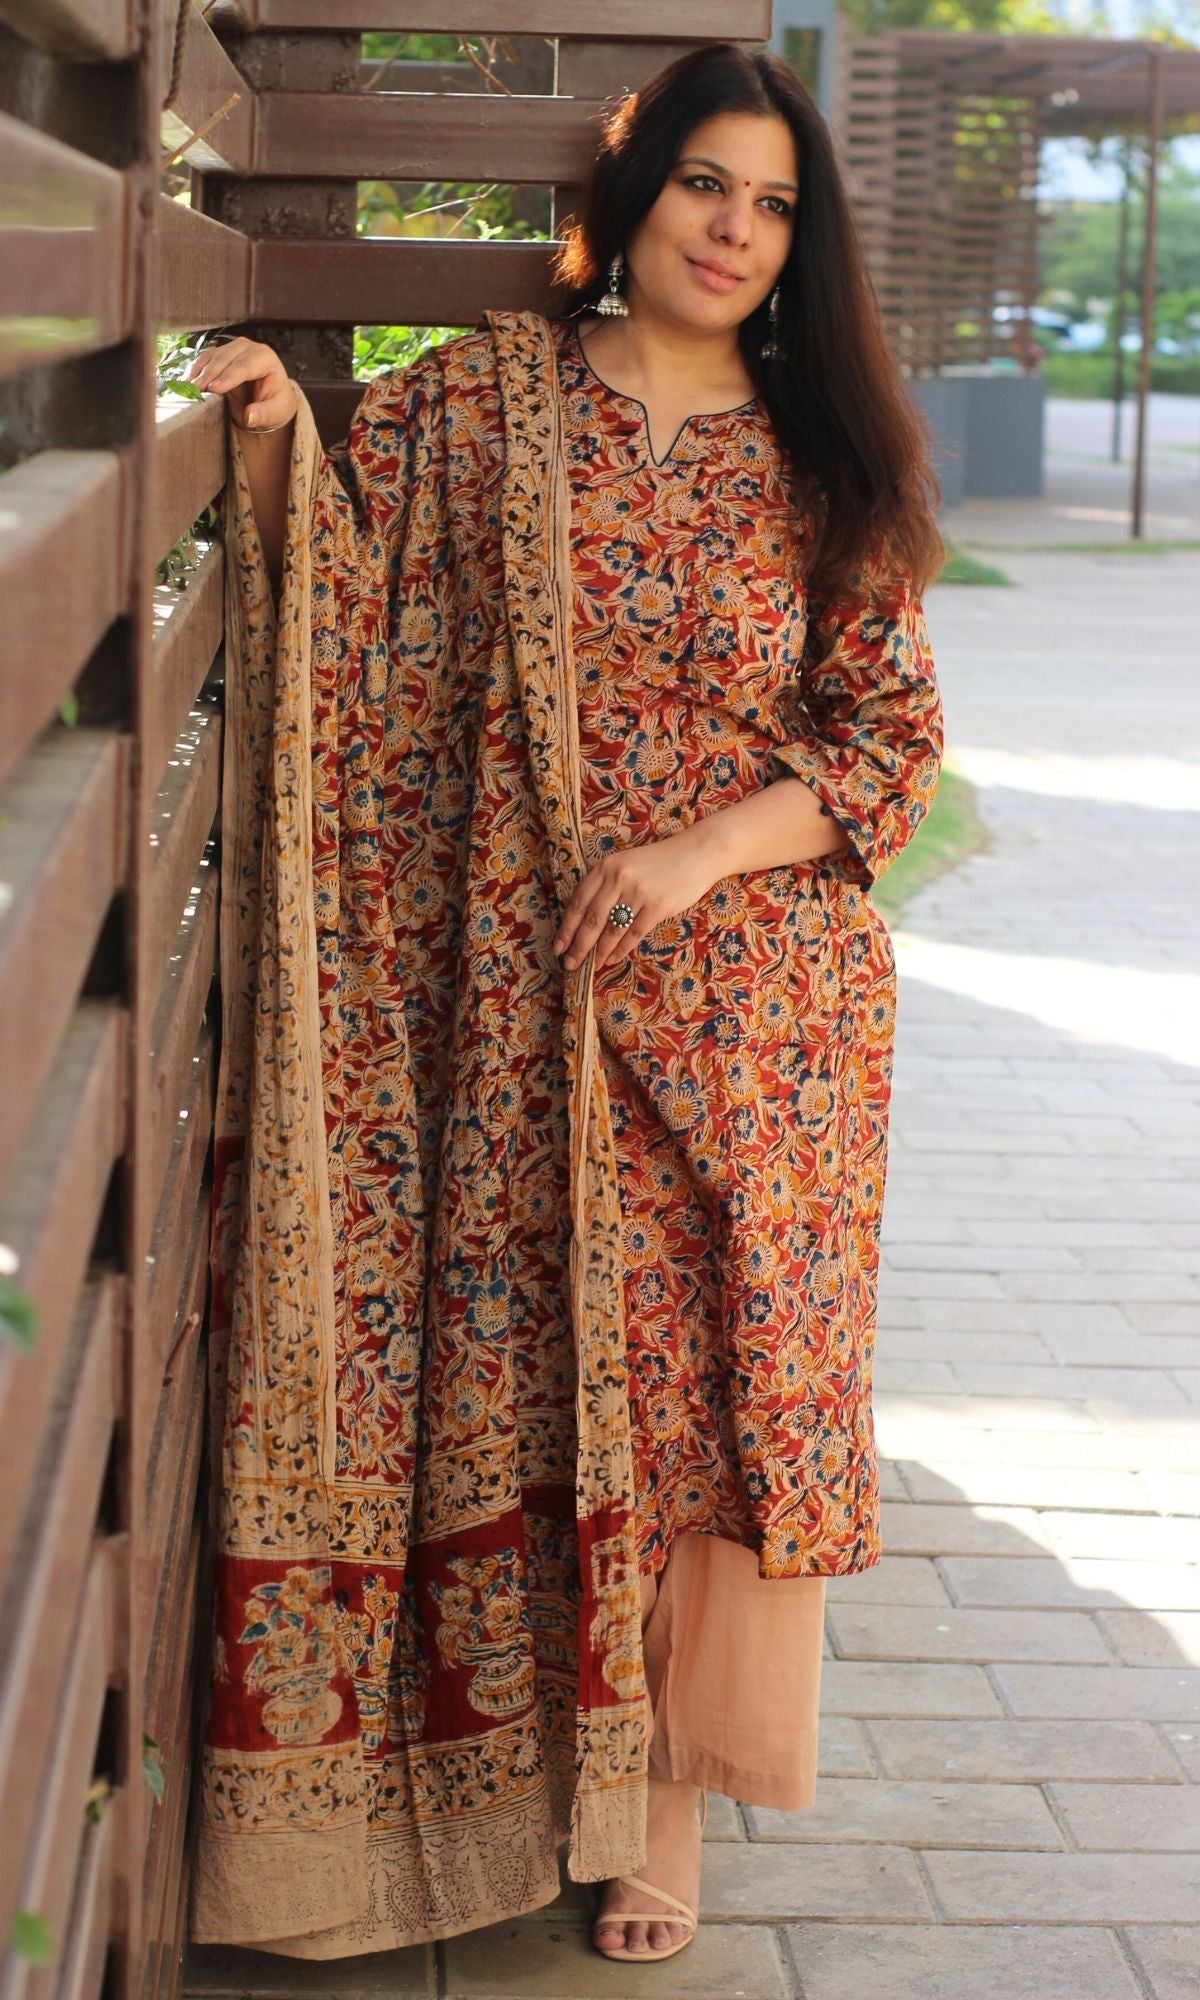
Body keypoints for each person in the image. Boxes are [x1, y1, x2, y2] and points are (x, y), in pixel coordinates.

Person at [186, 41, 943, 1970]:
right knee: (532, 1385)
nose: (736, 230)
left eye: (776, 205)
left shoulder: (823, 454)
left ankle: (662, 1809)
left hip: (759, 1026)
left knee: (693, 1415)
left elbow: (884, 750)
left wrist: (694, 855)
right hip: (520, 1009)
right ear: (634, 190)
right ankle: (530, 1779)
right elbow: (351, 613)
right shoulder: (484, 409)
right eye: (709, 183)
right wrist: (276, 435)